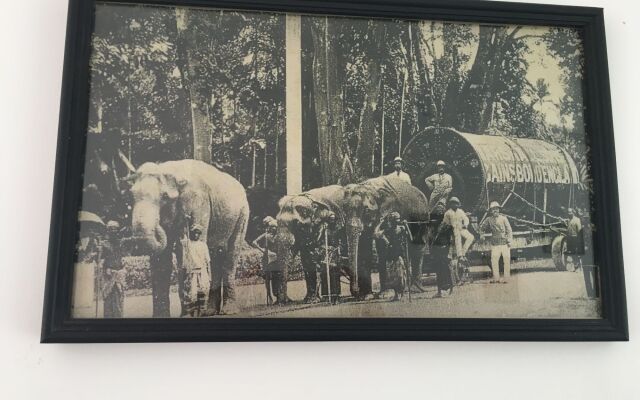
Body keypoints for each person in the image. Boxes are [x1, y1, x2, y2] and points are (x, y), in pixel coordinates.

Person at [374, 212, 410, 301]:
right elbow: (375, 234)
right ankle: (397, 294)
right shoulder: (388, 230)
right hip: (391, 255)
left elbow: (410, 238)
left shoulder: (402, 229)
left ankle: (401, 293)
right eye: (393, 220)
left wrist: (407, 226)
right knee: (393, 277)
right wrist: (381, 223)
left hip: (399, 255)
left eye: (396, 220)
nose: (395, 222)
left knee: (401, 275)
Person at [180, 224, 211, 316]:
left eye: (198, 233)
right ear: (192, 233)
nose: (196, 235)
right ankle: (192, 314)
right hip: (192, 272)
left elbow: (208, 261)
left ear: (200, 234)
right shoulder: (188, 244)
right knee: (192, 294)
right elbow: (183, 239)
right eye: (194, 233)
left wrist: (210, 275)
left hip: (202, 272)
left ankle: (201, 313)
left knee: (203, 292)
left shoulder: (203, 245)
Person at [442, 197, 475, 284]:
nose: (455, 205)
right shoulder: (448, 213)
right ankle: (460, 255)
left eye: (456, 203)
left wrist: (465, 225)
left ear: (458, 204)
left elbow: (466, 219)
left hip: (461, 229)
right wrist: (448, 230)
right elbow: (445, 223)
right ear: (450, 204)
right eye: (453, 203)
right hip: (453, 230)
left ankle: (463, 253)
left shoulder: (460, 211)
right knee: (457, 238)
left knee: (471, 237)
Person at [480, 201, 513, 283]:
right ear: (491, 211)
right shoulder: (488, 219)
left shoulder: (504, 218)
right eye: (493, 209)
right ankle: (496, 278)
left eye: (497, 209)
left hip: (504, 243)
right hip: (495, 243)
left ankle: (506, 278)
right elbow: (482, 228)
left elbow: (509, 230)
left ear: (499, 210)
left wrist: (509, 240)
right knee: (494, 261)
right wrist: (482, 235)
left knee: (506, 260)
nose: (495, 211)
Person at [314, 212, 343, 304]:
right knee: (325, 274)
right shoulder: (324, 230)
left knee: (335, 274)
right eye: (331, 219)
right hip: (325, 254)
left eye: (334, 219)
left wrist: (338, 248)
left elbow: (341, 242)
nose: (332, 221)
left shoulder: (338, 230)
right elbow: (318, 242)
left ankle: (336, 295)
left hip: (335, 253)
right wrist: (326, 247)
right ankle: (326, 295)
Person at [252, 216, 279, 305]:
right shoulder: (265, 235)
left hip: (275, 258)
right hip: (267, 258)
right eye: (268, 226)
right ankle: (269, 296)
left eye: (271, 226)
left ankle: (278, 296)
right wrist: (262, 250)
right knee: (267, 278)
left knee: (276, 277)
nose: (271, 228)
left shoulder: (277, 235)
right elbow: (254, 242)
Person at [102, 220, 126, 318]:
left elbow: (122, 258)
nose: (113, 231)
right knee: (108, 298)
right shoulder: (104, 244)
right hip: (108, 274)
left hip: (119, 274)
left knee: (118, 299)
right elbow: (101, 260)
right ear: (108, 231)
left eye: (115, 229)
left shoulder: (121, 243)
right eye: (111, 229)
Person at [430, 201, 454, 297]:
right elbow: (430, 238)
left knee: (446, 270)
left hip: (444, 250)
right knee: (438, 271)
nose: (439, 213)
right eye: (438, 211)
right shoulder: (434, 225)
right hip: (436, 251)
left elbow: (451, 241)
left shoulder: (448, 226)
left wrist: (450, 253)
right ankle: (439, 291)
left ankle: (448, 289)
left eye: (441, 211)